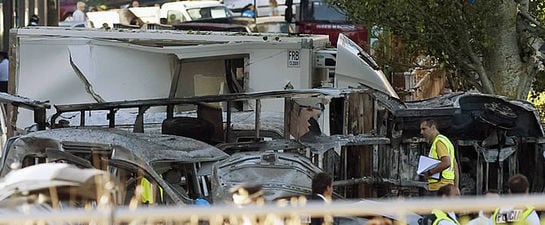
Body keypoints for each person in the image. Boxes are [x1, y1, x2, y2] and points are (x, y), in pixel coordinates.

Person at [420, 118, 458, 194]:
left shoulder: (438, 142)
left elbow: (446, 163)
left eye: (424, 129)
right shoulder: (446, 141)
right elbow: (455, 166)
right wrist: (456, 188)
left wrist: (430, 173)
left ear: (433, 128)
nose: (421, 132)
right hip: (448, 186)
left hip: (439, 187)